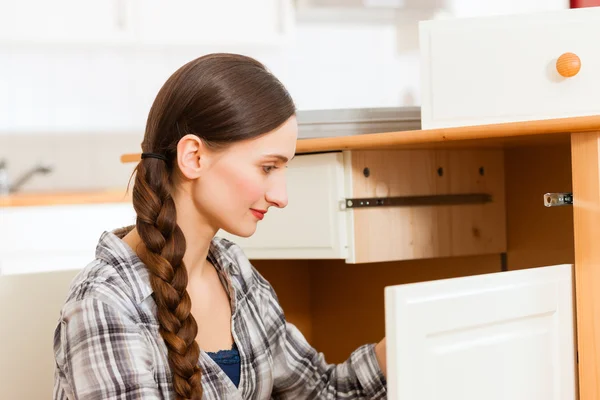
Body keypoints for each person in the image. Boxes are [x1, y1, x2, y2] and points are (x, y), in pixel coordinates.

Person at [52, 53, 387, 400]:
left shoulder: (235, 273)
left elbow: (319, 392)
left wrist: (403, 343)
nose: (281, 197)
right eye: (267, 167)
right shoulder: (105, 301)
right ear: (193, 157)